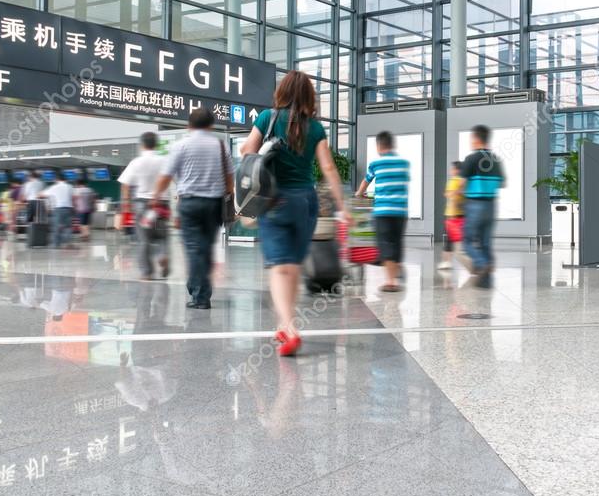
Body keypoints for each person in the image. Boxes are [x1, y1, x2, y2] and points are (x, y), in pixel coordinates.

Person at [239, 70, 348, 357]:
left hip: (275, 200)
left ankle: (290, 327)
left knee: (279, 267)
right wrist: (342, 205)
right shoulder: (316, 128)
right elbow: (327, 168)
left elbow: (248, 152)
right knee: (294, 267)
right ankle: (283, 324)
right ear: (309, 96)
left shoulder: (267, 118)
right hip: (306, 202)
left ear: (283, 92)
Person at [153, 108, 232, 311]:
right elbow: (230, 179)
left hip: (189, 203)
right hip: (214, 203)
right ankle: (197, 288)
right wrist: (227, 194)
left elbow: (166, 176)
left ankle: (200, 296)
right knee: (205, 248)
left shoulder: (181, 145)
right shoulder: (220, 146)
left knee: (194, 249)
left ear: (189, 125)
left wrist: (155, 197)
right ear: (211, 125)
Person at [355, 131, 410, 293]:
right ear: (392, 145)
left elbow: (365, 183)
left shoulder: (376, 164)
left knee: (385, 243)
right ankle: (397, 266)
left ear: (379, 146)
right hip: (400, 212)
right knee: (397, 241)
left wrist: (359, 195)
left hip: (383, 211)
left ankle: (391, 282)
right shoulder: (404, 163)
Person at [119, 132, 169, 280]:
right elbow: (171, 180)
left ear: (142, 145)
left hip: (142, 204)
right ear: (156, 144)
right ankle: (163, 255)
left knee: (144, 239)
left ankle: (147, 272)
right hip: (161, 204)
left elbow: (125, 185)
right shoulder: (164, 160)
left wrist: (126, 204)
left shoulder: (136, 162)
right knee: (163, 236)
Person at [459, 125, 505, 288]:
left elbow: (461, 183)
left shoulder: (471, 159)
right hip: (491, 205)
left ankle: (482, 263)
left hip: (475, 205)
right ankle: (486, 276)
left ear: (477, 139)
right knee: (486, 242)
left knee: (467, 241)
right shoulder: (495, 159)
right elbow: (502, 183)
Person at [439, 161, 466, 271]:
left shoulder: (454, 181)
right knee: (455, 240)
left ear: (457, 170)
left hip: (453, 215)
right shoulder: (464, 182)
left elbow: (450, 196)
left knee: (450, 240)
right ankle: (447, 262)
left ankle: (447, 262)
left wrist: (452, 194)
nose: (451, 171)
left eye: (452, 169)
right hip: (462, 214)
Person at [41, 173, 74, 248]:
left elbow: (41, 195)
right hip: (68, 209)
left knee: (56, 227)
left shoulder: (54, 187)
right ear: (65, 179)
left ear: (57, 179)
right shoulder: (70, 187)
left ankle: (56, 245)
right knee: (68, 227)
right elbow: (74, 197)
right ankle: (68, 243)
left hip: (58, 209)